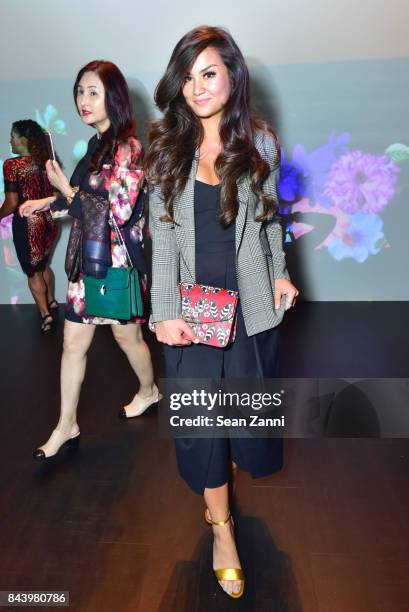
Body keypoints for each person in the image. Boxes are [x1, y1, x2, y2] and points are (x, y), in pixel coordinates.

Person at [146, 26, 299, 599]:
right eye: (187, 77)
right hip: (189, 312)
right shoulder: (167, 149)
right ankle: (222, 527)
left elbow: (268, 220)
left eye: (208, 73)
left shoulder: (261, 143)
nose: (197, 87)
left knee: (242, 417)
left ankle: (225, 486)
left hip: (248, 308)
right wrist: (163, 311)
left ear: (232, 75)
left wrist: (280, 272)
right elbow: (161, 242)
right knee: (200, 429)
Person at [20, 60, 160, 460]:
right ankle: (66, 424)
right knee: (72, 342)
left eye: (93, 92)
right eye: (80, 91)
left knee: (127, 337)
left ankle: (149, 390)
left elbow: (118, 207)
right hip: (86, 262)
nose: (83, 100)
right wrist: (46, 201)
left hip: (118, 264)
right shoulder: (94, 147)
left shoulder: (129, 148)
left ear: (112, 99)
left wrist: (66, 188)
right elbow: (81, 198)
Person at [0, 120, 59, 331]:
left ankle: (46, 315)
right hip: (50, 220)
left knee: (33, 271)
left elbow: (12, 203)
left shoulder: (12, 165)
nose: (10, 141)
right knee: (43, 264)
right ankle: (52, 300)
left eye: (13, 136)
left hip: (27, 225)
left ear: (23, 140)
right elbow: (55, 194)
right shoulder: (47, 161)